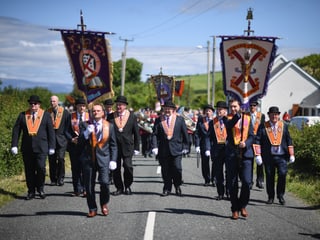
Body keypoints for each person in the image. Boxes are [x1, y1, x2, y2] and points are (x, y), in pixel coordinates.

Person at [11, 95, 56, 200]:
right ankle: (31, 191)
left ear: (39, 104)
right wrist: (14, 145)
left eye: (35, 103)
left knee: (41, 168)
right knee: (29, 170)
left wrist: (52, 146)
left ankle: (40, 188)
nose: (33, 105)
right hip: (27, 148)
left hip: (41, 148)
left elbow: (51, 132)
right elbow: (16, 130)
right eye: (31, 103)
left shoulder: (45, 115)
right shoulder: (23, 115)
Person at [78, 103, 118, 217]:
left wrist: (113, 160)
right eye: (94, 111)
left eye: (98, 110)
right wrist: (86, 133)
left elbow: (113, 145)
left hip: (104, 159)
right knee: (89, 186)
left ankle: (104, 203)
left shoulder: (109, 126)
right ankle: (92, 208)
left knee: (105, 183)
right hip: (88, 159)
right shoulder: (85, 125)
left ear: (103, 112)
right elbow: (79, 142)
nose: (96, 112)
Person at [254, 106, 295, 205]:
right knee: (269, 176)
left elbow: (289, 140)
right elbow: (257, 140)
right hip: (269, 156)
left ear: (278, 115)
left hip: (281, 156)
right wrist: (257, 155)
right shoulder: (263, 126)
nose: (274, 116)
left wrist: (291, 154)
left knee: (282, 174)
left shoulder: (284, 125)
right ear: (269, 115)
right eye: (272, 114)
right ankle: (270, 197)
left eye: (276, 114)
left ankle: (280, 195)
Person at [223, 98, 254, 220]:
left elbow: (252, 136)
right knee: (232, 183)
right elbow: (229, 126)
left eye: (235, 106)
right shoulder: (228, 118)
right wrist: (238, 115)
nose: (233, 109)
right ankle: (235, 208)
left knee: (247, 182)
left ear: (240, 106)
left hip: (246, 154)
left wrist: (246, 143)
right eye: (231, 107)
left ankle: (243, 205)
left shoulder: (248, 118)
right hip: (232, 154)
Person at [152, 100, 189, 197]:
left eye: (169, 108)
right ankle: (167, 188)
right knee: (165, 170)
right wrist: (155, 147)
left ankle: (177, 185)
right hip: (163, 150)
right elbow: (154, 134)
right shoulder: (159, 120)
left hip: (177, 149)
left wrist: (186, 146)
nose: (167, 110)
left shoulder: (180, 119)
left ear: (173, 110)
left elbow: (185, 134)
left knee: (177, 168)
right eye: (165, 108)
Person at [107, 95, 140, 195]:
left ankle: (128, 186)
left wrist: (137, 147)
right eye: (117, 105)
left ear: (125, 106)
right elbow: (107, 131)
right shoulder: (111, 116)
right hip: (114, 147)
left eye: (120, 105)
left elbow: (136, 133)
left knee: (128, 166)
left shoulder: (132, 116)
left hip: (127, 146)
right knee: (115, 169)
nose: (118, 107)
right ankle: (119, 188)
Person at [65, 98, 89, 197]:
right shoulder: (71, 117)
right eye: (79, 105)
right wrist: (71, 139)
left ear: (85, 107)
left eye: (83, 106)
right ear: (76, 106)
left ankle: (85, 189)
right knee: (75, 169)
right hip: (74, 147)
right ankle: (77, 189)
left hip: (86, 147)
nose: (81, 107)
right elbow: (65, 131)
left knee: (85, 169)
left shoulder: (89, 116)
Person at [47, 95, 70, 186]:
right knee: (51, 159)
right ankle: (53, 179)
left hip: (62, 140)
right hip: (50, 140)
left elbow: (68, 126)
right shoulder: (47, 113)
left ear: (57, 102)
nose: (52, 103)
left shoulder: (65, 112)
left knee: (60, 158)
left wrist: (67, 137)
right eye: (51, 101)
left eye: (54, 101)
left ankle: (61, 178)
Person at [208, 101, 229, 200]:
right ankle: (220, 193)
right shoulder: (212, 122)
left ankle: (229, 191)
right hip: (217, 150)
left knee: (229, 172)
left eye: (221, 109)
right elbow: (209, 137)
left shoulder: (229, 120)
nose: (219, 111)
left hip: (228, 149)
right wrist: (209, 148)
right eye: (218, 109)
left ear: (225, 111)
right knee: (218, 172)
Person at [195, 104, 215, 186]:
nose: (208, 112)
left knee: (215, 163)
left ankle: (214, 179)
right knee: (205, 163)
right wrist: (197, 145)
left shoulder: (215, 120)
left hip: (214, 144)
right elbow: (197, 133)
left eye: (209, 111)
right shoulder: (201, 120)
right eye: (206, 111)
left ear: (212, 112)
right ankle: (207, 179)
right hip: (203, 144)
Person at [249, 100, 265, 189]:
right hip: (249, 141)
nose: (252, 107)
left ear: (257, 106)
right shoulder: (246, 115)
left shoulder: (261, 116)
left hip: (258, 141)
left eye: (254, 105)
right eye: (251, 105)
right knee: (249, 161)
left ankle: (260, 180)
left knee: (260, 161)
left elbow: (262, 128)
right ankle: (250, 181)